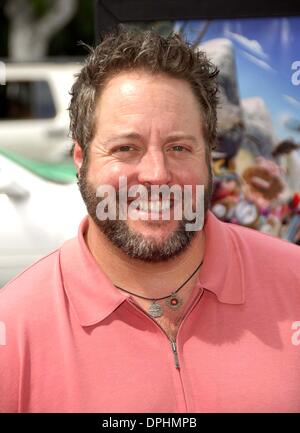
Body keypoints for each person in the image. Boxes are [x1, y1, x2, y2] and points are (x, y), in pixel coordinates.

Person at [1, 28, 300, 414]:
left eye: (179, 147)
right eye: (126, 148)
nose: (157, 175)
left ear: (208, 157)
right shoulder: (15, 330)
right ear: (80, 158)